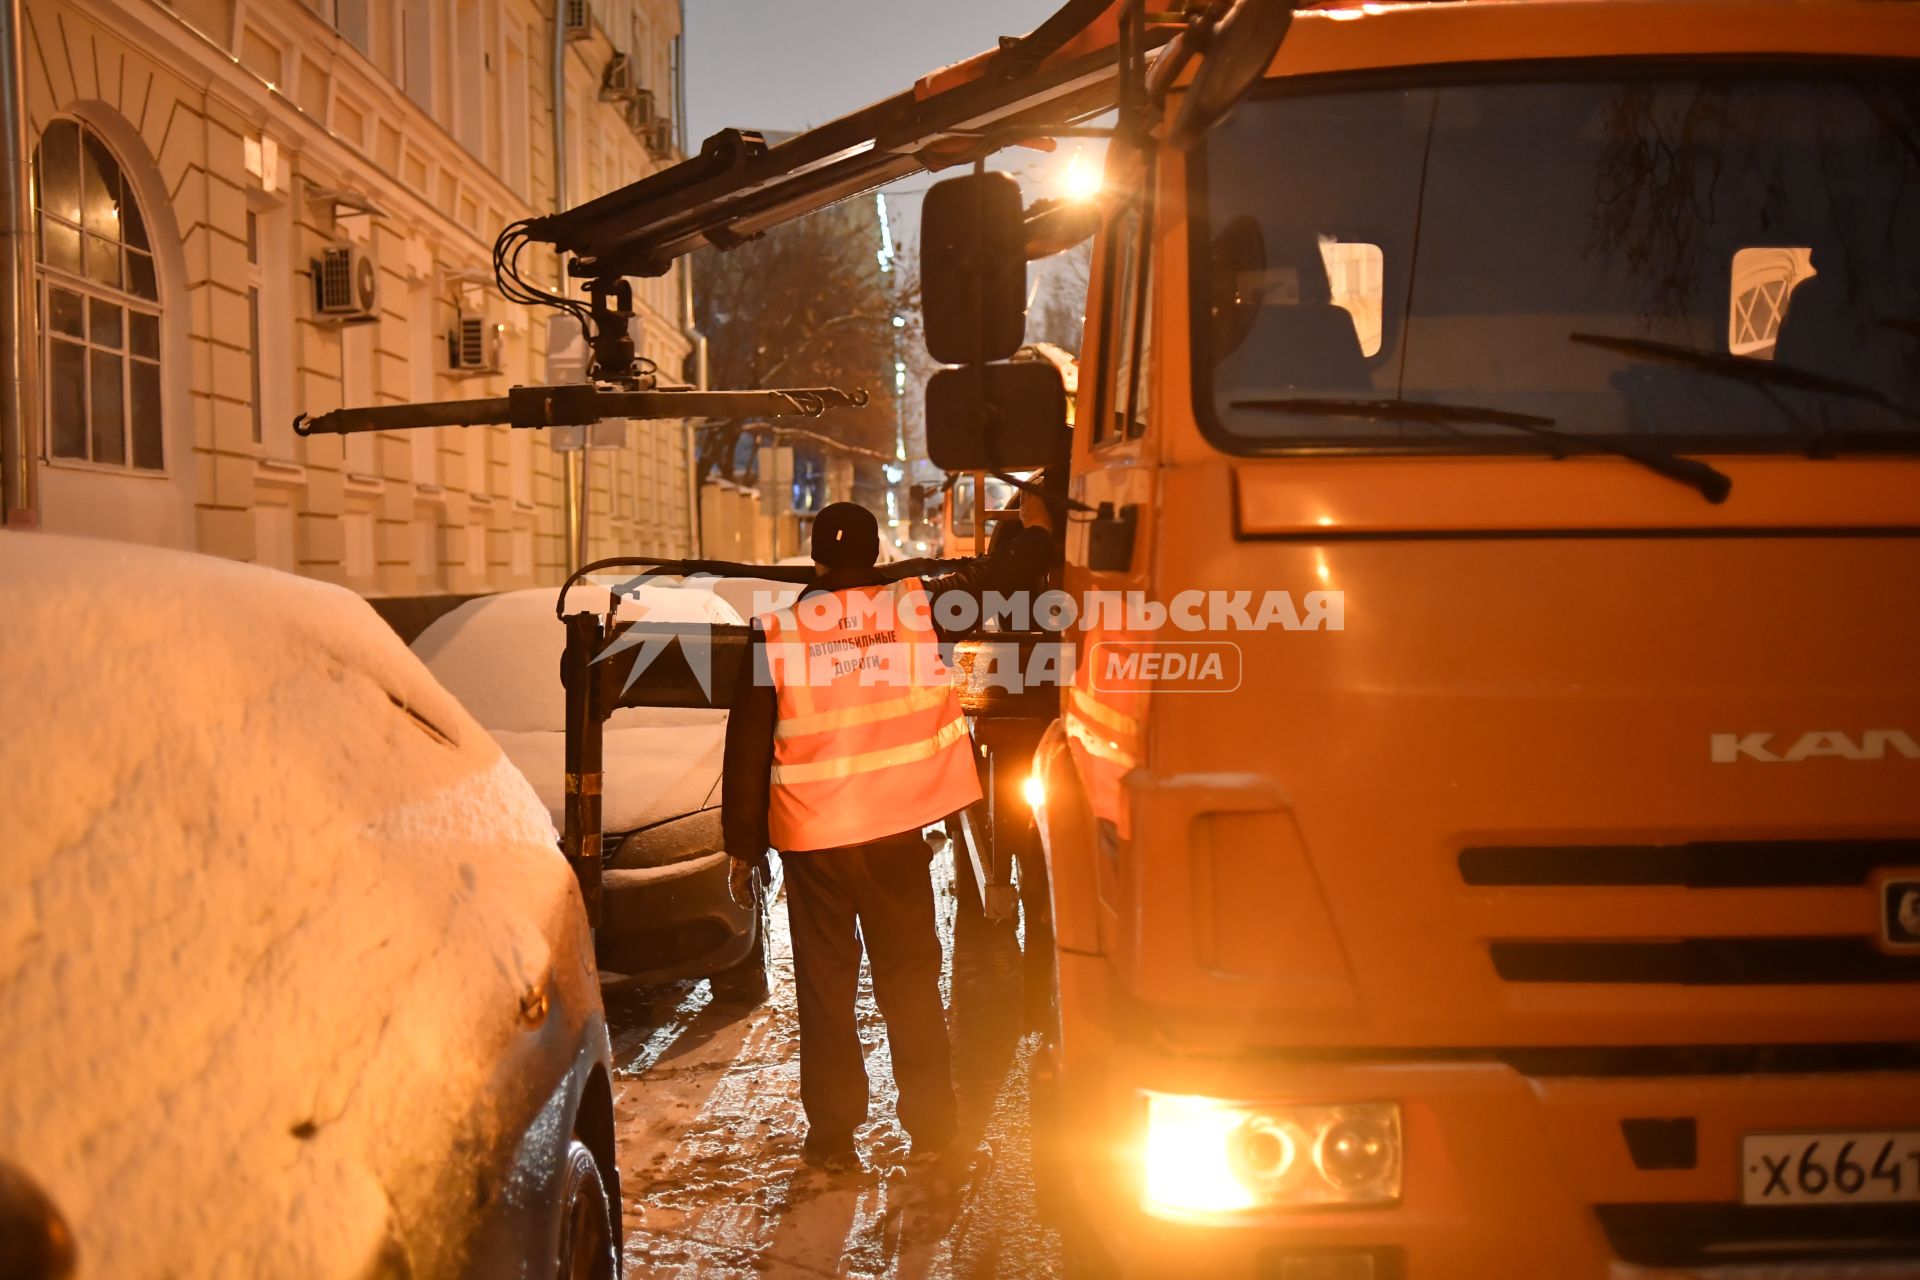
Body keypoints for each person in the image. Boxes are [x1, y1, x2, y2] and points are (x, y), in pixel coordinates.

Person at [722, 502, 984, 1174]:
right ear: (874, 555)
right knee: (911, 980)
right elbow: (980, 596)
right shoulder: (914, 608)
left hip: (816, 841)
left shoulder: (777, 633)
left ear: (816, 559)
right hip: (896, 831)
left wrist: (742, 846)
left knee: (826, 986)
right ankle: (932, 1127)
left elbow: (748, 745)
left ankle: (834, 1137)